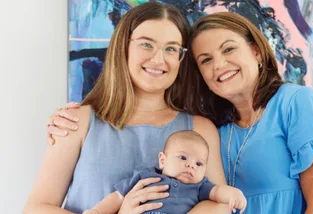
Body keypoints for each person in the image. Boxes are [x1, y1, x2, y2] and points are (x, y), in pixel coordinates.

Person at [44, 12, 313, 214]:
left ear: (257, 52)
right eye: (205, 59)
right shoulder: (219, 125)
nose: (219, 65)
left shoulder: (295, 102)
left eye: (229, 49)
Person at [23, 2, 228, 214]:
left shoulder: (200, 129)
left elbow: (219, 204)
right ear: (124, 48)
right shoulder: (76, 122)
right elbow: (36, 208)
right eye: (146, 44)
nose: (158, 59)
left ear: (181, 59)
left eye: (170, 48)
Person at [83, 130, 247, 214]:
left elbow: (217, 191)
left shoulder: (199, 186)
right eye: (183, 158)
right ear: (162, 160)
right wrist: (96, 211)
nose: (191, 166)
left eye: (199, 163)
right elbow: (118, 196)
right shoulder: (145, 176)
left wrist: (233, 194)